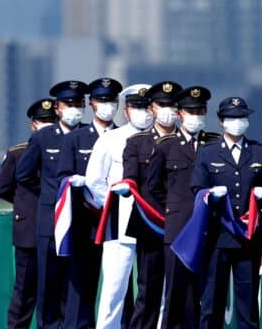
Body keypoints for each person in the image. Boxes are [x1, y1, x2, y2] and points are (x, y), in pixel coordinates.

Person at [190, 97, 262, 329]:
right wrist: (211, 194)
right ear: (221, 121)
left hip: (247, 239)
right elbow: (197, 189)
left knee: (248, 305)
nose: (238, 122)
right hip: (217, 237)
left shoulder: (259, 152)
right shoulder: (208, 153)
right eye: (232, 118)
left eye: (242, 118)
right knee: (211, 304)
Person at [16, 80, 89, 329]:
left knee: (76, 287)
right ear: (57, 108)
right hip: (51, 222)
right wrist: (50, 195)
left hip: (82, 220)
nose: (74, 108)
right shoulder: (43, 137)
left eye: (78, 104)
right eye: (68, 104)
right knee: (48, 285)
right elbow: (23, 174)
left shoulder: (89, 136)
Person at [144, 86, 219, 329]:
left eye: (200, 111)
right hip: (178, 228)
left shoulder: (214, 144)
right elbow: (153, 187)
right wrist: (171, 211)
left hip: (209, 228)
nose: (196, 115)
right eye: (190, 111)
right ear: (180, 114)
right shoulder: (167, 145)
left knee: (206, 292)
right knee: (175, 292)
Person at [85, 83, 153, 329]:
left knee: (153, 290)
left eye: (147, 107)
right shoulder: (110, 139)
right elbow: (94, 180)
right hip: (119, 224)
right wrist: (113, 203)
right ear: (126, 111)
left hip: (153, 225)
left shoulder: (163, 139)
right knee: (114, 289)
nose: (143, 112)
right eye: (137, 107)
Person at [57, 77, 123, 328]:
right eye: (102, 100)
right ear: (92, 104)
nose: (108, 106)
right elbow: (61, 177)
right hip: (86, 221)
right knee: (82, 283)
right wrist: (76, 181)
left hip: (116, 221)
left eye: (112, 101)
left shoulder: (124, 136)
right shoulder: (76, 138)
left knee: (119, 285)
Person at [123, 81, 183, 329]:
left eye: (172, 105)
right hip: (152, 226)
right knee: (148, 289)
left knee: (182, 291)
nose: (168, 110)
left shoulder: (192, 142)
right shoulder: (138, 143)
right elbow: (132, 181)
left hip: (182, 226)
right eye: (162, 105)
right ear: (151, 109)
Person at [0, 98, 57, 329]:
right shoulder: (17, 153)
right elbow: (2, 188)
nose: (47, 125)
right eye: (42, 121)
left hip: (55, 229)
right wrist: (24, 204)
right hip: (29, 229)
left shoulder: (62, 149)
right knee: (25, 289)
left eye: (51, 121)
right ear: (33, 125)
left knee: (54, 290)